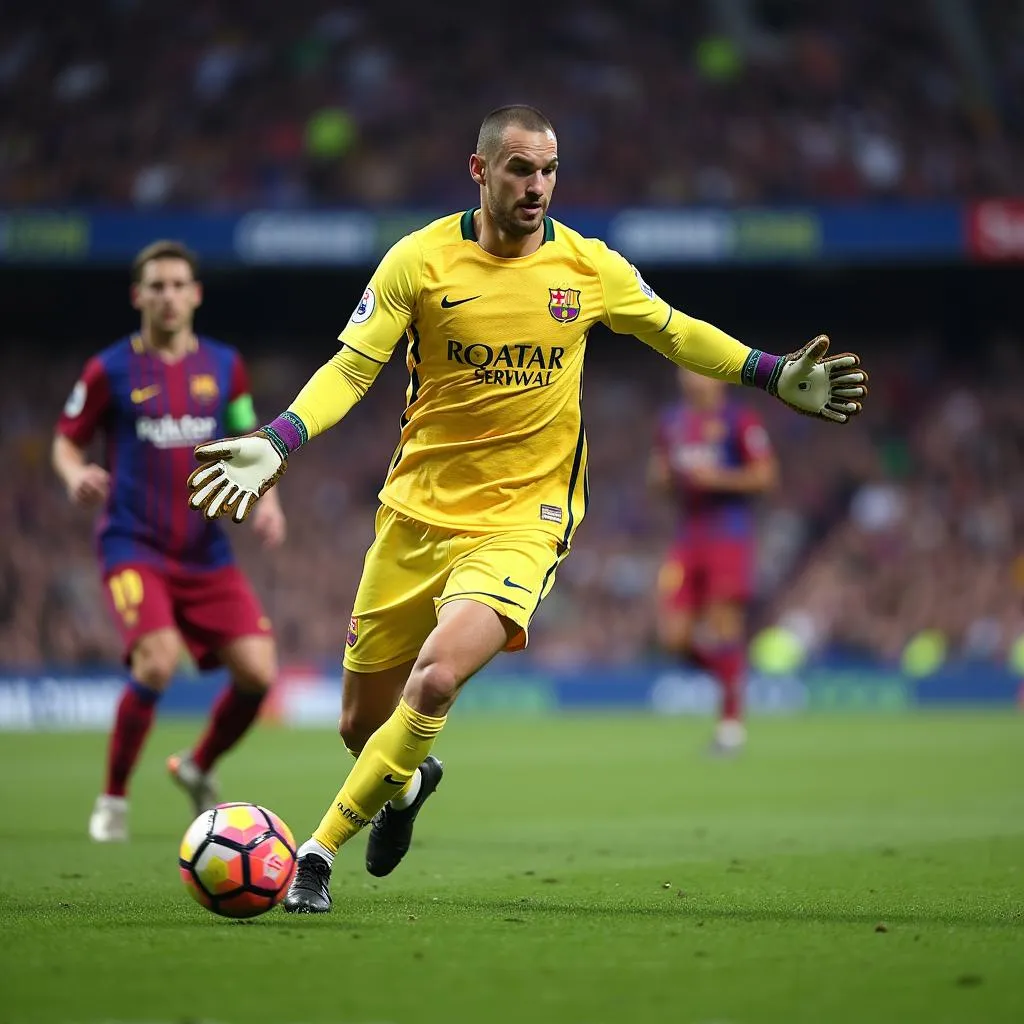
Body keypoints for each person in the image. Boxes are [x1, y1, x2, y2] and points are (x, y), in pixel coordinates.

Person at [185, 105, 867, 912]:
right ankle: (402, 784)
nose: (537, 185)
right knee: (361, 729)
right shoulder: (418, 261)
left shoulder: (588, 267)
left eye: (547, 170)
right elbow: (351, 367)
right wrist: (281, 439)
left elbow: (676, 332)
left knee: (435, 680)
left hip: (524, 520)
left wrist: (768, 371)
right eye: (519, 169)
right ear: (480, 171)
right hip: (414, 517)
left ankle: (315, 854)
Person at [53, 240, 287, 842]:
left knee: (259, 676)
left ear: (196, 294)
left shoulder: (225, 367)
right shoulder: (109, 369)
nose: (168, 295)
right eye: (156, 286)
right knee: (157, 661)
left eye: (179, 284)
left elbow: (247, 439)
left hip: (205, 551)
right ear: (138, 296)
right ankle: (113, 800)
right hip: (134, 545)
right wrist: (77, 473)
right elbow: (66, 439)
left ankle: (198, 766)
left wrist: (270, 501)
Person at [650, 368, 779, 754]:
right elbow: (656, 478)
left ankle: (730, 727)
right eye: (684, 369)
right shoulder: (671, 422)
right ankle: (732, 679)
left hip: (729, 535)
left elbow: (766, 476)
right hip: (687, 538)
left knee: (724, 629)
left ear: (718, 378)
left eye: (698, 370)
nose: (690, 377)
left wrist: (716, 478)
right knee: (672, 637)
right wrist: (664, 479)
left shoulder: (740, 420)